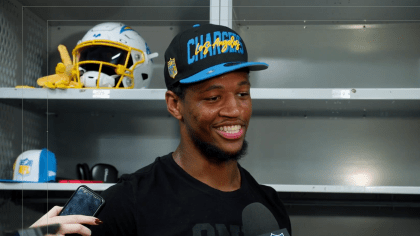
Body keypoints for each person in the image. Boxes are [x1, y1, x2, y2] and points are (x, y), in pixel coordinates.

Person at [30, 23, 292, 236]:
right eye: (213, 97)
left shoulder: (269, 203)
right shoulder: (127, 203)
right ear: (175, 104)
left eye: (243, 93)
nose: (234, 110)